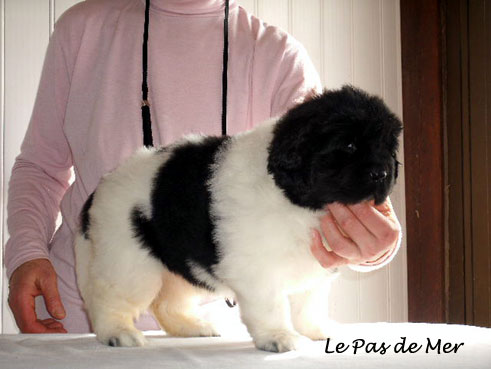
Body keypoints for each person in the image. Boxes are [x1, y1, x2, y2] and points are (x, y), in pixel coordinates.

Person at [6, 0, 401, 334]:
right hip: (79, 314)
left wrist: (374, 246)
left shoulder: (277, 55)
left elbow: (335, 183)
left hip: (216, 330)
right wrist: (26, 255)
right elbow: (42, 166)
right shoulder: (83, 29)